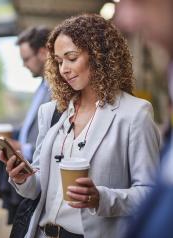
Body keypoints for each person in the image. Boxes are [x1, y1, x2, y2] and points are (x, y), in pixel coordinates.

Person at [0, 14, 160, 238]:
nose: (63, 68)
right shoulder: (52, 112)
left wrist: (100, 198)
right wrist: (22, 178)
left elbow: (151, 195)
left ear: (98, 56)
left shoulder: (134, 114)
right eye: (58, 61)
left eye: (71, 57)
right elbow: (37, 188)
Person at [115, 1, 173, 237]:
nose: (125, 19)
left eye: (140, 1)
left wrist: (101, 198)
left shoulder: (138, 111)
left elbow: (144, 187)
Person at [0, 26, 52, 223]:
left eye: (26, 59)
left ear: (42, 52)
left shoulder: (55, 89)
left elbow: (53, 132)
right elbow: (35, 125)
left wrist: (23, 147)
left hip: (36, 172)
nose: (23, 65)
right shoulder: (42, 86)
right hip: (27, 174)